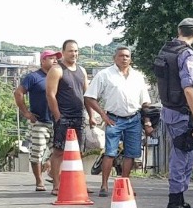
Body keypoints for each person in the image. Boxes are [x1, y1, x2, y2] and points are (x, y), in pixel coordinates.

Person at [84, 46, 152, 196]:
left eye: (127, 56)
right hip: (114, 119)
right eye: (121, 56)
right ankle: (104, 186)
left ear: (131, 59)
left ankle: (124, 184)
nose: (124, 58)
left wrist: (147, 123)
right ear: (114, 58)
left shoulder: (138, 76)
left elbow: (145, 102)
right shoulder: (105, 75)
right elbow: (89, 97)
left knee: (131, 154)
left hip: (134, 118)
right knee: (110, 153)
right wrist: (102, 115)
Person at [154, 18, 193, 208]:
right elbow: (188, 87)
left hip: (169, 109)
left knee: (183, 154)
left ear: (178, 30)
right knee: (181, 157)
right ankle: (174, 204)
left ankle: (180, 200)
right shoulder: (186, 53)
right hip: (183, 112)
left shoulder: (166, 50)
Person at [46, 40, 95, 197]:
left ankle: (78, 184)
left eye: (76, 51)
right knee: (59, 151)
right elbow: (50, 95)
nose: (73, 54)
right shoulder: (57, 69)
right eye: (70, 51)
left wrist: (91, 115)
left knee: (78, 153)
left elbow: (87, 96)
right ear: (63, 52)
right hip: (63, 117)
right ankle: (56, 185)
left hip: (79, 117)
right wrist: (58, 115)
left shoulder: (81, 70)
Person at [14, 50, 59, 192]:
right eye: (51, 58)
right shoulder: (33, 77)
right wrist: (26, 112)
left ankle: (53, 173)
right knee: (37, 152)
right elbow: (18, 93)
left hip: (57, 121)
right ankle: (39, 181)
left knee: (58, 151)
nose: (55, 61)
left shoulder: (58, 76)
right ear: (43, 61)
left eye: (56, 59)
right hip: (39, 121)